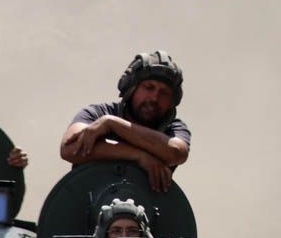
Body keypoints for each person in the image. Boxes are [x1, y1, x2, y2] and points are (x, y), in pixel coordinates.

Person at [60, 50, 190, 191]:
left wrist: (113, 124)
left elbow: (176, 152)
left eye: (164, 93)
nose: (154, 98)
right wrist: (138, 156)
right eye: (148, 87)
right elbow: (70, 148)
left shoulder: (173, 128)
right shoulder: (97, 114)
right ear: (131, 88)